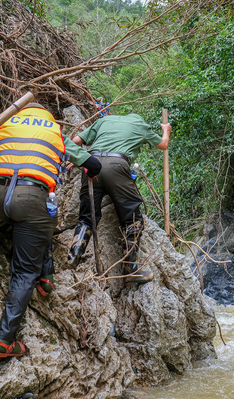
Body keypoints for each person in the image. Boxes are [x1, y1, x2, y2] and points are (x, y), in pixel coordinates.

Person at [0, 103, 102, 358]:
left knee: (39, 225)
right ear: (47, 116)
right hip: (31, 199)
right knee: (25, 269)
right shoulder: (54, 132)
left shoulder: (7, 124)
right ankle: (5, 341)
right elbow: (93, 165)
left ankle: (46, 277)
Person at [66, 112, 171, 284]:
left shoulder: (103, 121)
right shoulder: (141, 125)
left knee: (86, 218)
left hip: (90, 163)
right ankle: (130, 269)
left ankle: (72, 260)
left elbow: (76, 142)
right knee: (133, 219)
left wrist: (76, 158)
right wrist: (166, 130)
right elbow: (163, 145)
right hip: (116, 166)